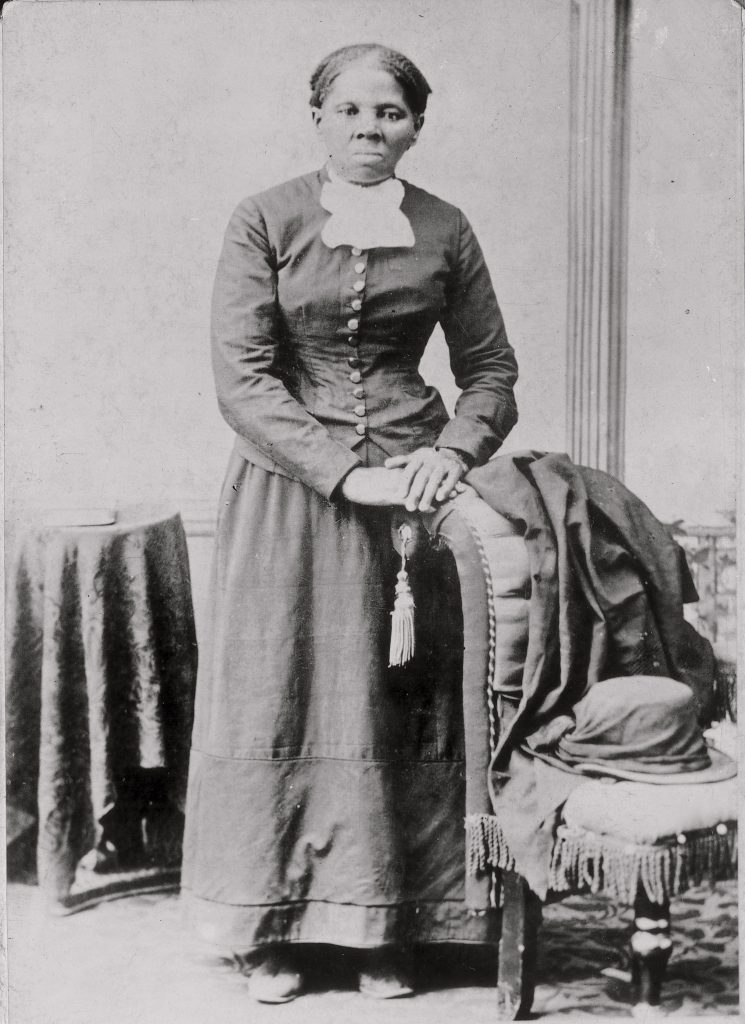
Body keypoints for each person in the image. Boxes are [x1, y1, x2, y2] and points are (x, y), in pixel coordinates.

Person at [182, 42, 519, 1003]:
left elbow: (491, 371)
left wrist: (450, 453)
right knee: (283, 693)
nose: (371, 129)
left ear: (417, 125)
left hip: (413, 494)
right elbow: (243, 379)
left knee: (398, 698)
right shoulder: (265, 217)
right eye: (351, 111)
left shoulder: (445, 226)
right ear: (319, 118)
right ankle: (271, 929)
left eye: (391, 113)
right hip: (289, 491)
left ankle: (391, 925)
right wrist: (342, 475)